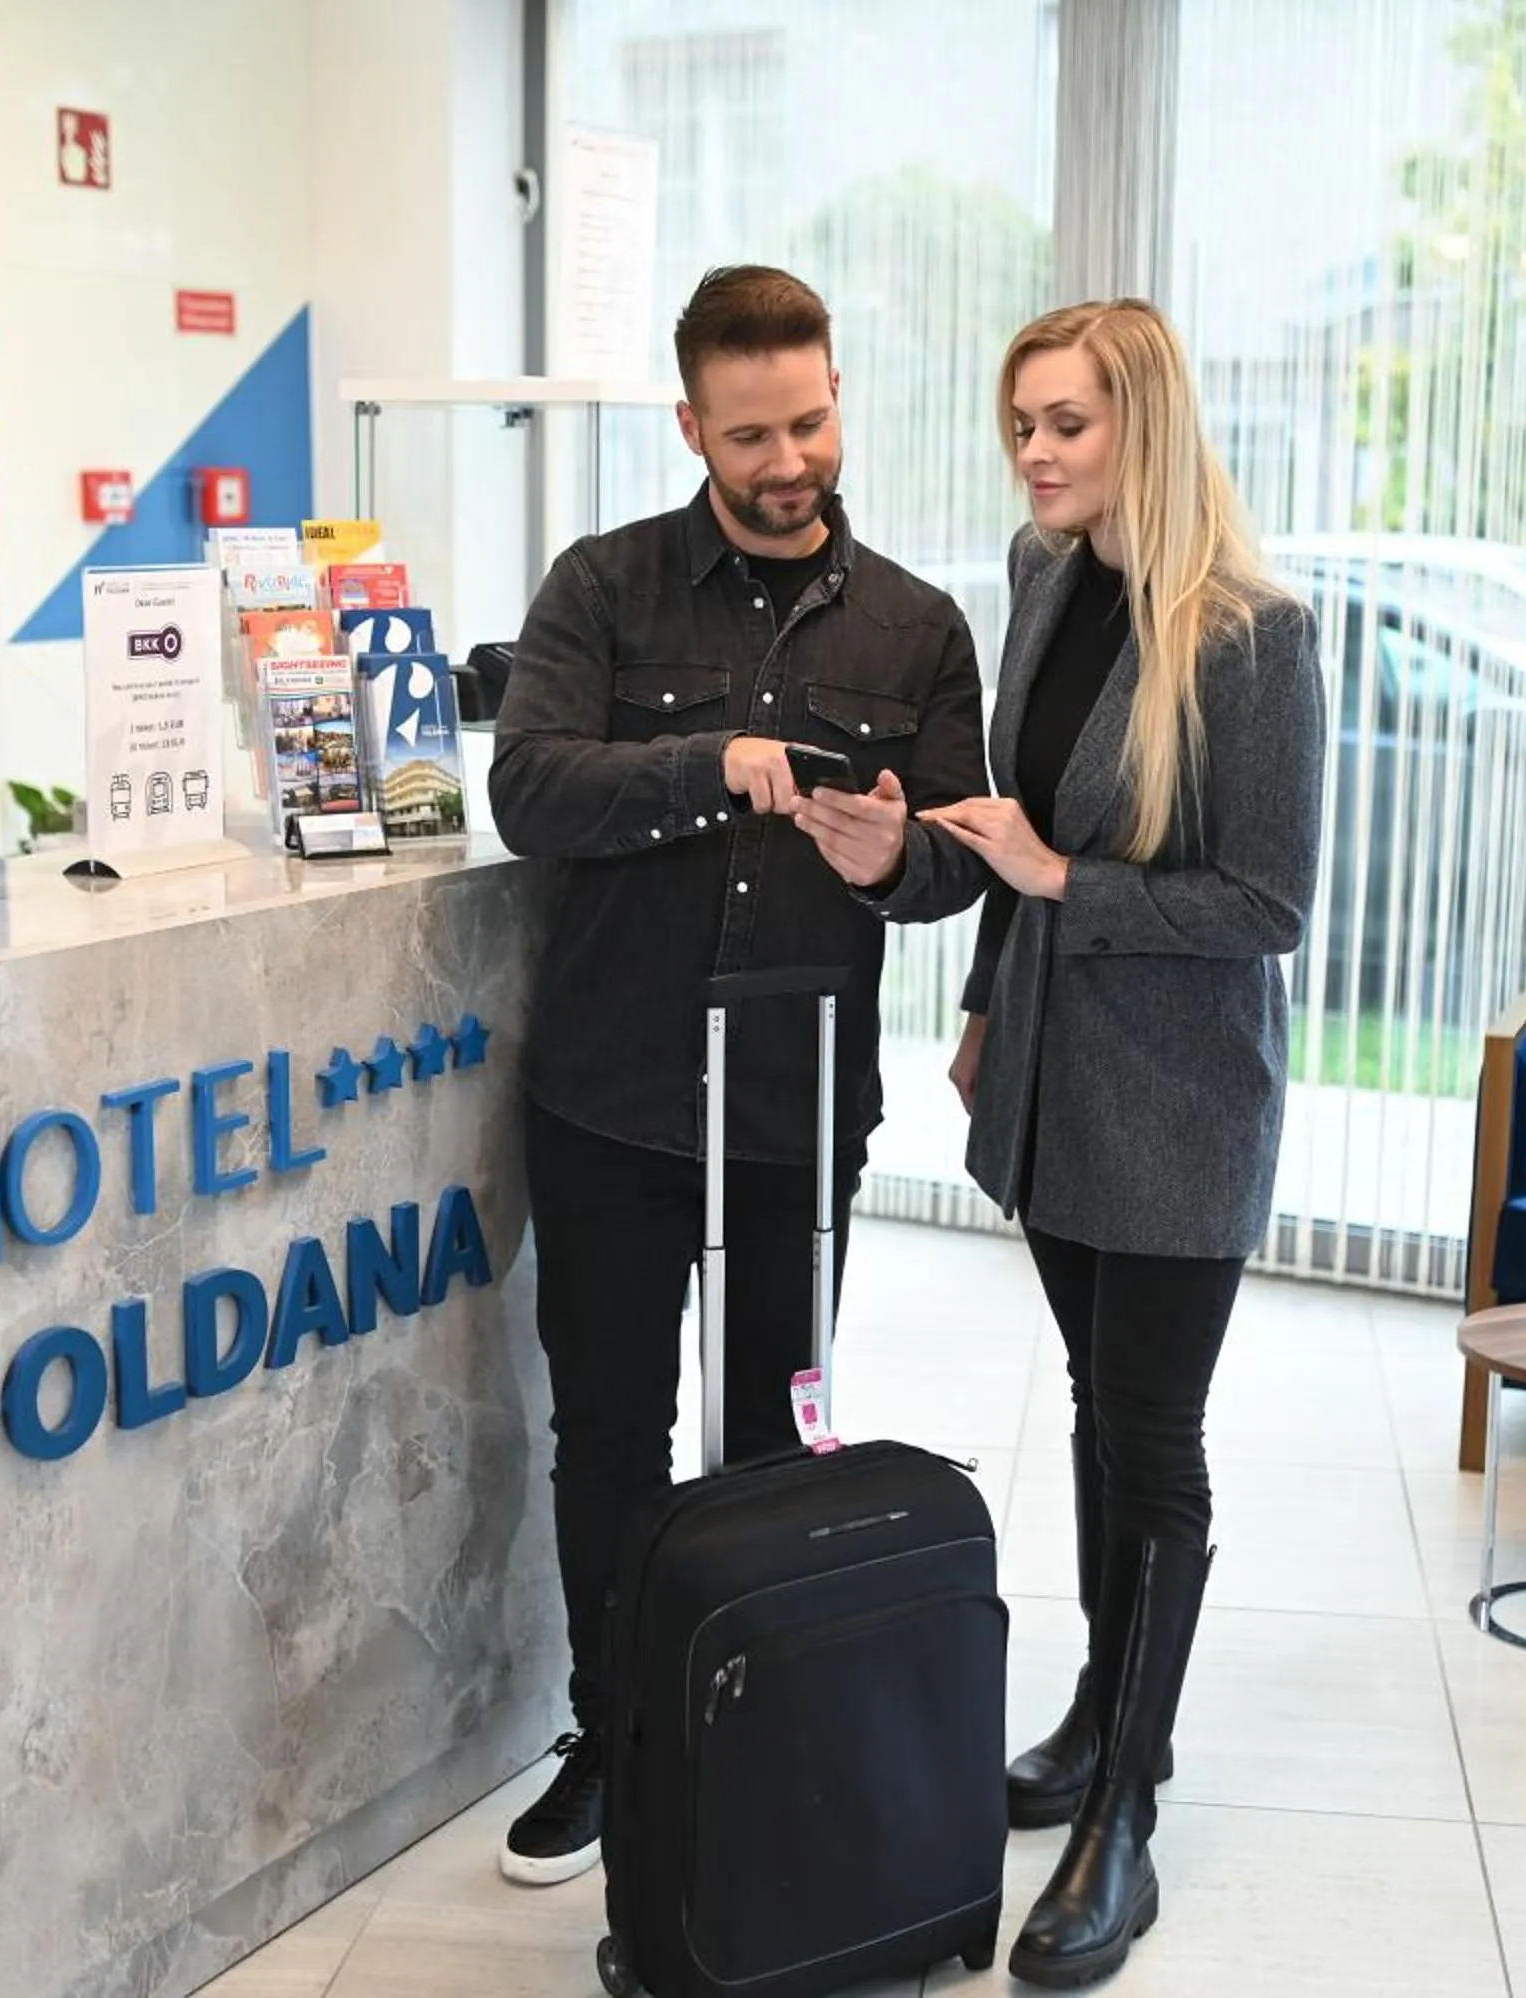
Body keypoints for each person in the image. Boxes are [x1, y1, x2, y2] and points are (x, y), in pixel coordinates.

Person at [798, 297, 1323, 1987]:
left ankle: (1131, 1812)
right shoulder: (1042, 582)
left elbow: (1268, 905)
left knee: (1154, 1441)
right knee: (1101, 1411)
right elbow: (1003, 836)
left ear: (1142, 430)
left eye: (1067, 423)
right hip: (1044, 1082)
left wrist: (1050, 886)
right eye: (1020, 421)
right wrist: (910, 875)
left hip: (1178, 1106)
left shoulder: (1253, 636)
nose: (1034, 451)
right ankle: (1102, 1711)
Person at [484, 264, 991, 1887]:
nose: (793, 461)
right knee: (614, 1435)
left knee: (781, 1432)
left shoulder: (920, 625)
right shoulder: (603, 588)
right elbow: (531, 786)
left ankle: (755, 1732)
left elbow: (960, 860)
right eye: (756, 431)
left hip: (794, 1101)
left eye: (816, 419)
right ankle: (616, 1736)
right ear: (692, 422)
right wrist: (707, 768)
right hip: (613, 1094)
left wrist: (897, 850)